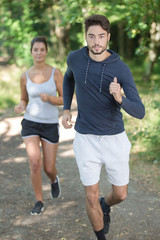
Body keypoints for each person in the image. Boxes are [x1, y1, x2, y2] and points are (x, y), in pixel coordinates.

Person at [62, 15, 145, 240]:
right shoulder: (75, 58)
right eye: (91, 36)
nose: (96, 41)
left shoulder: (121, 68)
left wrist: (120, 98)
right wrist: (66, 108)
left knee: (120, 194)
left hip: (114, 139)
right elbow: (69, 78)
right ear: (86, 37)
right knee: (90, 195)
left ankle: (105, 205)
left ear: (108, 37)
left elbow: (140, 111)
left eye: (101, 36)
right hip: (85, 138)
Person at [14, 36, 63, 215]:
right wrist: (21, 106)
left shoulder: (56, 73)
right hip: (30, 124)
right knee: (35, 162)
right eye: (36, 49)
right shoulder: (24, 76)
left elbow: (65, 99)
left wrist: (50, 98)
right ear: (31, 52)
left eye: (42, 49)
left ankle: (53, 179)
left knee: (48, 167)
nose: (39, 52)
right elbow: (24, 99)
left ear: (46, 51)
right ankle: (39, 201)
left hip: (50, 124)